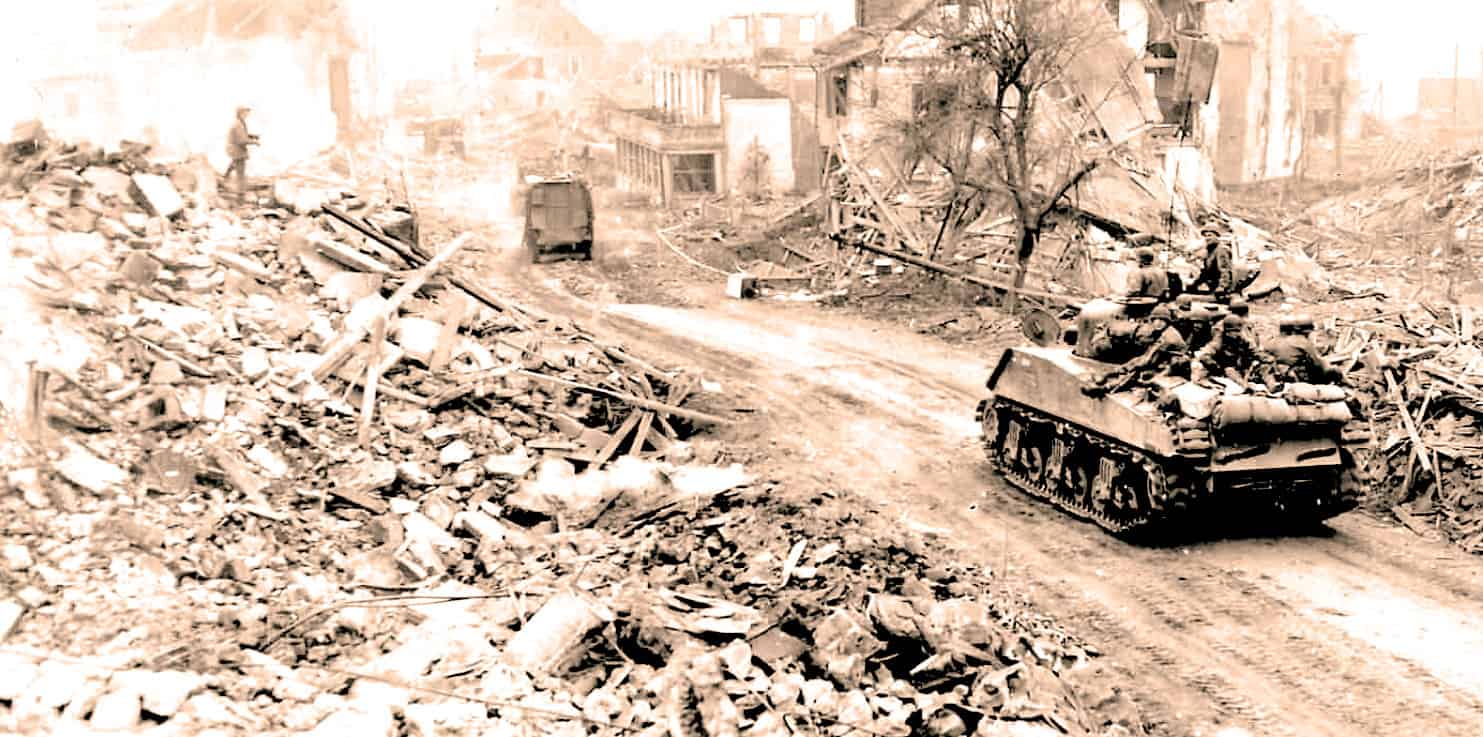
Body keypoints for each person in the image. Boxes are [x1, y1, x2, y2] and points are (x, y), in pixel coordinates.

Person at [1084, 305, 1188, 396]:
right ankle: (1109, 375)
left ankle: (1107, 387)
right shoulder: (1162, 332)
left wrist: (1123, 368)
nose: (1159, 323)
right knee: (1138, 364)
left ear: (1167, 322)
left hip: (1175, 366)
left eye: (1163, 320)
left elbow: (1147, 359)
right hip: (1166, 360)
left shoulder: (1168, 338)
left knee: (1139, 373)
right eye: (1156, 319)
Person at [1262, 314, 1340, 386]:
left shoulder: (1270, 341)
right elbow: (1317, 363)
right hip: (1297, 378)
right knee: (1334, 370)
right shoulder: (1302, 342)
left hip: (1275, 376)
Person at [1193, 313, 1257, 383]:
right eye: (1233, 331)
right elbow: (1205, 354)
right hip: (1224, 369)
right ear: (1226, 331)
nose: (1236, 334)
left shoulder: (1244, 339)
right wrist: (1216, 366)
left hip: (1241, 368)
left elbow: (1256, 351)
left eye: (1238, 331)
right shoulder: (1219, 340)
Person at [224, 106, 260, 202]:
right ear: (240, 113)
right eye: (245, 113)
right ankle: (240, 196)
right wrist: (254, 142)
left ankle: (225, 177)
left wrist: (252, 136)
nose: (247, 115)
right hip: (236, 150)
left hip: (234, 149)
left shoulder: (239, 123)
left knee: (235, 163)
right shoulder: (238, 125)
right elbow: (241, 140)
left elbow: (242, 135)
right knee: (241, 174)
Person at [1192, 230, 1234, 300]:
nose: (1207, 238)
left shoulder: (1221, 250)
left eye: (1210, 235)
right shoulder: (1210, 251)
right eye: (1205, 236)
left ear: (1217, 237)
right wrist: (1195, 284)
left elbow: (1225, 270)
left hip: (1221, 292)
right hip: (1213, 288)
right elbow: (1205, 273)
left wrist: (1222, 287)